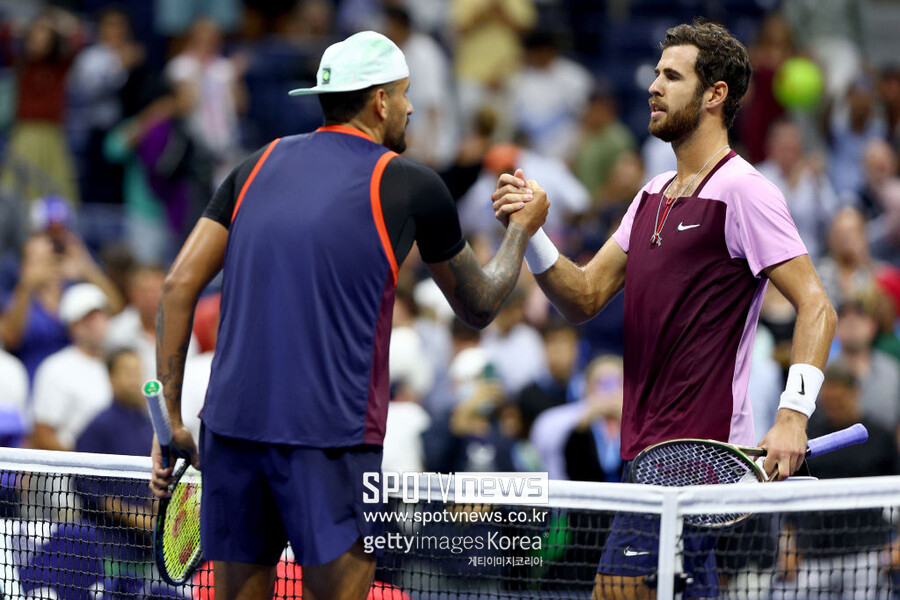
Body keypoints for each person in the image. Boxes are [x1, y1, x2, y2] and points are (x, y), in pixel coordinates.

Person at [150, 31, 548, 600]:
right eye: (406, 95)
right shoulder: (410, 184)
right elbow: (480, 304)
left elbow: (175, 285)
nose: (411, 108)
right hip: (331, 439)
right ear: (381, 101)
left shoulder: (253, 165)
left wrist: (168, 422)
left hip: (231, 429)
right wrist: (520, 231)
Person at [493, 21, 836, 599]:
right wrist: (533, 234)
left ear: (714, 95)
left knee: (615, 590)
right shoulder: (650, 194)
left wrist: (793, 414)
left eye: (671, 76)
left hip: (700, 456)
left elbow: (817, 305)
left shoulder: (745, 192)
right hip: (647, 453)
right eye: (655, 73)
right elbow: (583, 296)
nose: (653, 86)